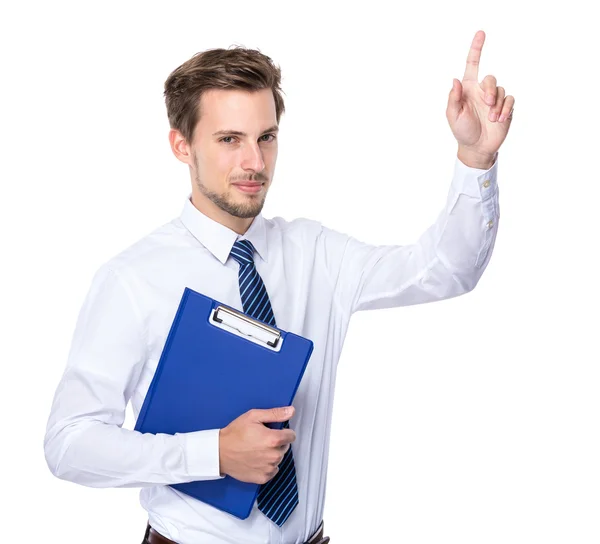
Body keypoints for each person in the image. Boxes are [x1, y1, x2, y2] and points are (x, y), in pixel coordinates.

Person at [43, 29, 514, 544]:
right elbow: (70, 443)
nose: (255, 163)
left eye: (266, 137)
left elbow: (446, 268)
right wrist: (213, 453)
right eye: (229, 140)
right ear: (182, 146)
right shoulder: (133, 280)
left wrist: (475, 158)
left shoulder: (315, 253)